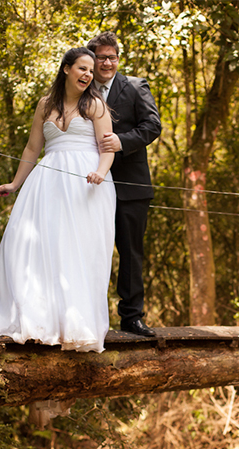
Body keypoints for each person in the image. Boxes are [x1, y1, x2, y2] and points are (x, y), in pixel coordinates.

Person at [0, 47, 116, 353]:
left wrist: (100, 173)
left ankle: (75, 325)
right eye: (82, 68)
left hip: (86, 185)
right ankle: (38, 320)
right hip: (47, 182)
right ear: (66, 69)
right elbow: (32, 148)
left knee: (75, 249)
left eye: (91, 71)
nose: (88, 74)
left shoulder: (95, 105)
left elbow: (108, 149)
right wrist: (14, 184)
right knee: (35, 247)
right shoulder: (45, 105)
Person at [87, 31, 161, 338]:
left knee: (131, 251)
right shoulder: (82, 88)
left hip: (131, 184)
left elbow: (152, 125)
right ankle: (89, 316)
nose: (107, 62)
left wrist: (122, 141)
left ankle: (132, 317)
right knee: (88, 248)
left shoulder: (134, 86)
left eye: (112, 57)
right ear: (91, 59)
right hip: (90, 183)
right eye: (101, 57)